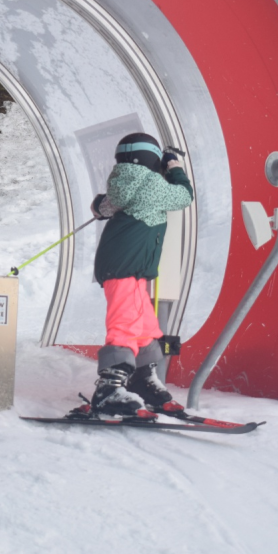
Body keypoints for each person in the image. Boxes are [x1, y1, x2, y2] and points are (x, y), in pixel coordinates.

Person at [87, 132, 194, 417]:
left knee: (146, 326)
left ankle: (142, 379)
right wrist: (174, 167)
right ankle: (108, 389)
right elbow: (184, 195)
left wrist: (98, 206)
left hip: (122, 264)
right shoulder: (151, 184)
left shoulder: (122, 182)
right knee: (125, 324)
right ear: (152, 160)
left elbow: (102, 207)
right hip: (127, 266)